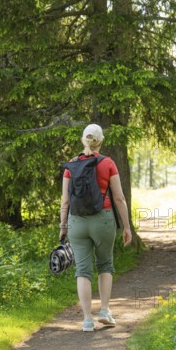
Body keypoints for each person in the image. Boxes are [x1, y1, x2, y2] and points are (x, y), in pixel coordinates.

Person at [59, 123, 132, 332]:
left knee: (82, 270)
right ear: (100, 142)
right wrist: (126, 227)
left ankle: (87, 320)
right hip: (103, 220)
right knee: (105, 265)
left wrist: (63, 226)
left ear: (83, 140)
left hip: (76, 222)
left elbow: (65, 201)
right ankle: (105, 311)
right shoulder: (108, 163)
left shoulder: (70, 166)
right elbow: (119, 197)